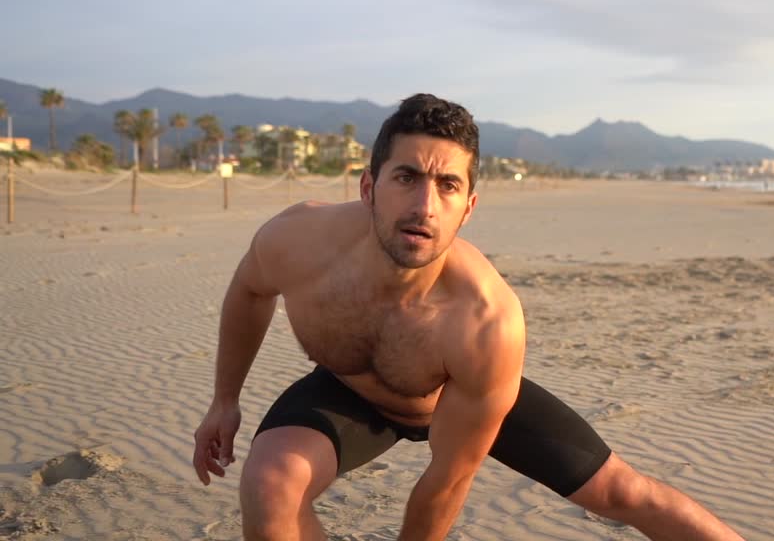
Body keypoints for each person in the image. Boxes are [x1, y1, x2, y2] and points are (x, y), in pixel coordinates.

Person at [192, 93, 743, 541]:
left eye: (448, 186)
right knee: (271, 485)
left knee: (623, 494)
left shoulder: (484, 319)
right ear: (368, 187)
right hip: (348, 391)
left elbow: (447, 477)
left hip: (455, 396)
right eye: (406, 177)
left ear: (468, 207)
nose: (424, 206)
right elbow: (248, 292)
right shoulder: (296, 242)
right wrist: (224, 399)